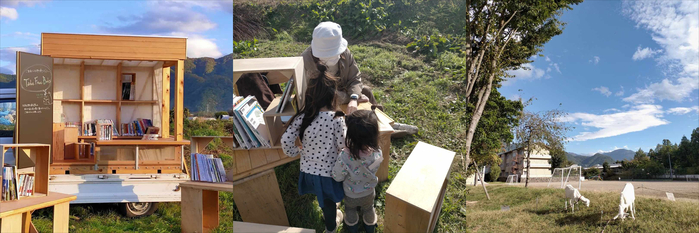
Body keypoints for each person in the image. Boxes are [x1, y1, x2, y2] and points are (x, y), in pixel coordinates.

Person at [302, 22, 418, 138]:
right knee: (359, 97)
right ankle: (375, 131)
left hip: (343, 91)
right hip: (323, 102)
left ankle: (383, 123)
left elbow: (355, 77)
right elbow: (321, 94)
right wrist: (354, 97)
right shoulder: (306, 61)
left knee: (366, 90)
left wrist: (354, 97)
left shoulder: (345, 52)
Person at [281, 64, 346, 233]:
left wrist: (296, 152)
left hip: (308, 171)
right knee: (328, 203)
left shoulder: (303, 117)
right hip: (329, 173)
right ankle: (331, 227)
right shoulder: (337, 119)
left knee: (322, 197)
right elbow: (343, 146)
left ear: (310, 95)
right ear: (333, 95)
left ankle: (329, 210)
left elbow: (286, 140)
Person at [331, 109, 382, 233]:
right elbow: (375, 167)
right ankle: (370, 227)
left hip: (350, 194)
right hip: (369, 192)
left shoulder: (345, 156)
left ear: (350, 135)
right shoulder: (377, 152)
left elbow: (337, 176)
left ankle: (352, 228)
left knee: (350, 210)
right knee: (369, 208)